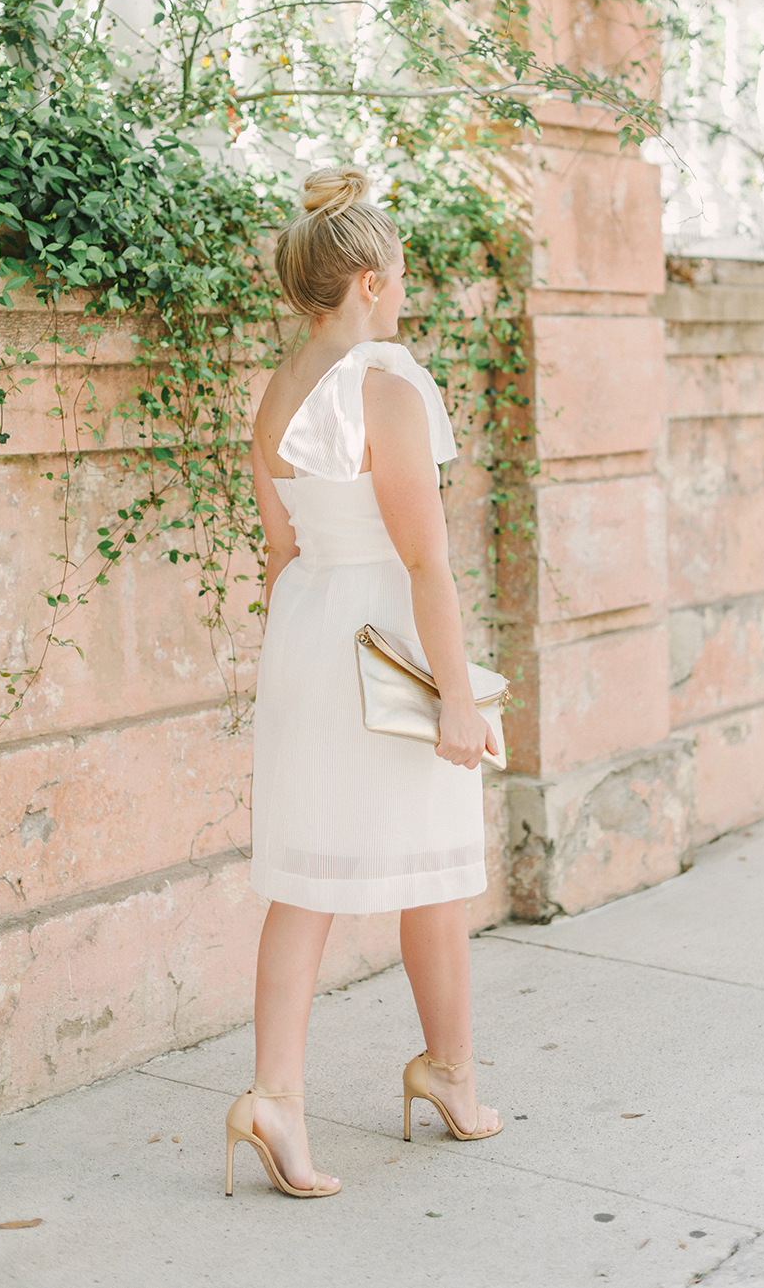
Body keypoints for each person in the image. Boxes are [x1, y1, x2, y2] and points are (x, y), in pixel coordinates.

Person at [224, 166, 502, 1200]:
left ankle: (274, 1099)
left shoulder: (279, 389)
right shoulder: (386, 383)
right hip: (384, 639)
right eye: (402, 271)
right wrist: (457, 696)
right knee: (433, 867)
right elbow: (425, 560)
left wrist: (294, 662)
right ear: (372, 280)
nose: (406, 287)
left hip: (305, 633)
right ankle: (450, 1073)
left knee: (303, 883)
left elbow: (280, 551)